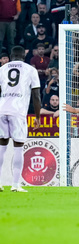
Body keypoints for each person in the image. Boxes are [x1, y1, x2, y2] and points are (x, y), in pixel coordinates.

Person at [0, 46, 41, 193]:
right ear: (24, 55)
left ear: (11, 56)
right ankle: (15, 185)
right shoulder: (30, 69)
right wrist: (37, 117)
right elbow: (36, 95)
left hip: (2, 110)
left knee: (1, 146)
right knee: (18, 146)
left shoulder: (2, 69)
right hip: (18, 112)